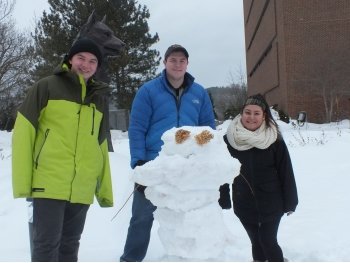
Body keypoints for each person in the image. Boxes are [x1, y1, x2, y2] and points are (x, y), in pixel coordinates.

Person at [12, 37, 114, 262]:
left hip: (82, 186)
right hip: (49, 182)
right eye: (81, 58)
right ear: (70, 59)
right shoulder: (46, 86)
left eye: (92, 61)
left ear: (97, 67)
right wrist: (23, 182)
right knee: (46, 246)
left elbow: (100, 146)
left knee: (70, 246)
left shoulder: (98, 98)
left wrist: (103, 189)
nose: (85, 65)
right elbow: (23, 135)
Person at [120, 44, 216, 262]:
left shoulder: (199, 92)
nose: (178, 64)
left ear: (187, 64)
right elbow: (137, 128)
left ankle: (186, 257)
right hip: (155, 165)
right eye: (173, 60)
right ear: (165, 63)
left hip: (188, 167)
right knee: (142, 217)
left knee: (187, 217)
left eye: (182, 60)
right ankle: (131, 258)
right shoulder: (148, 91)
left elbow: (208, 129)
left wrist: (205, 159)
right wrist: (139, 162)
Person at [220, 94, 298, 262]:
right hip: (243, 202)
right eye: (248, 112)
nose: (251, 117)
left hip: (272, 202)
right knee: (256, 242)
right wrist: (223, 198)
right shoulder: (229, 140)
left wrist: (291, 201)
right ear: (241, 114)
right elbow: (222, 171)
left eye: (257, 113)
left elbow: (286, 172)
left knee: (267, 241)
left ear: (264, 116)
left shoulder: (274, 140)